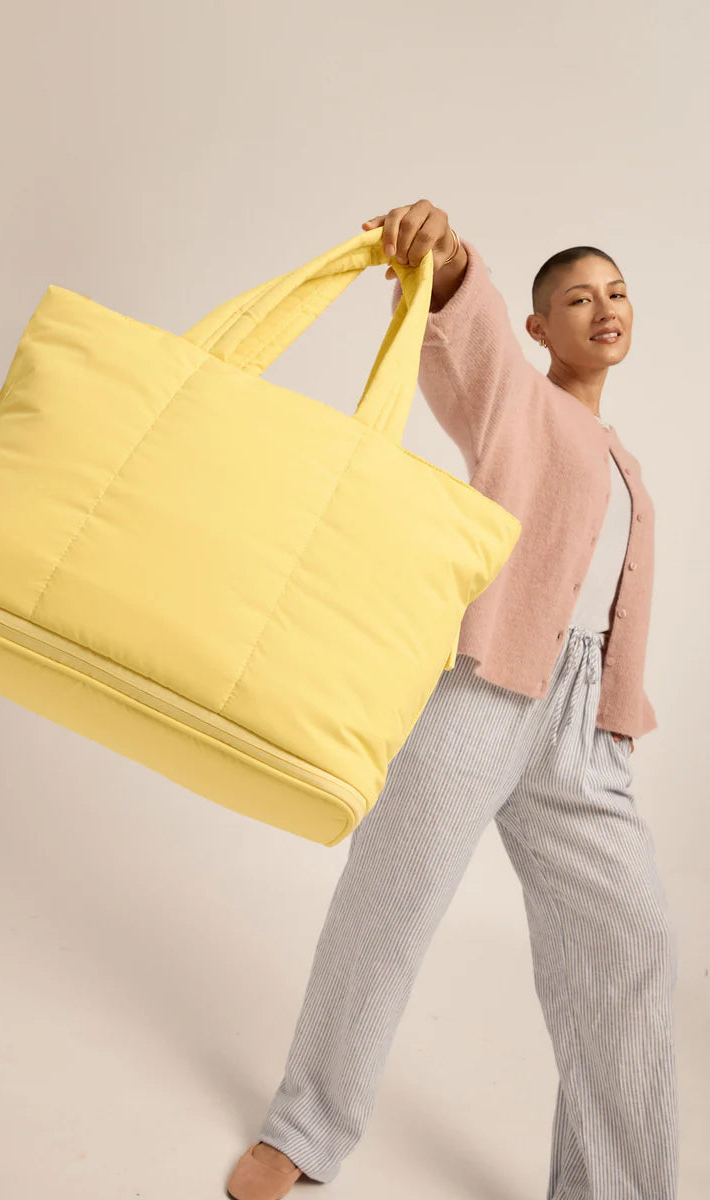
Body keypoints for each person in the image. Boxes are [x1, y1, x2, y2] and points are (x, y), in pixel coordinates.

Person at [225, 201, 678, 1200]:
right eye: (577, 299)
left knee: (633, 940)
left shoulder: (628, 466)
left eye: (615, 292)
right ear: (541, 327)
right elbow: (471, 344)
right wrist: (451, 258)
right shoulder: (518, 403)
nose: (604, 308)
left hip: (585, 726)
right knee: (389, 905)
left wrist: (612, 718)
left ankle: (614, 1187)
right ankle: (303, 1128)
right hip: (485, 690)